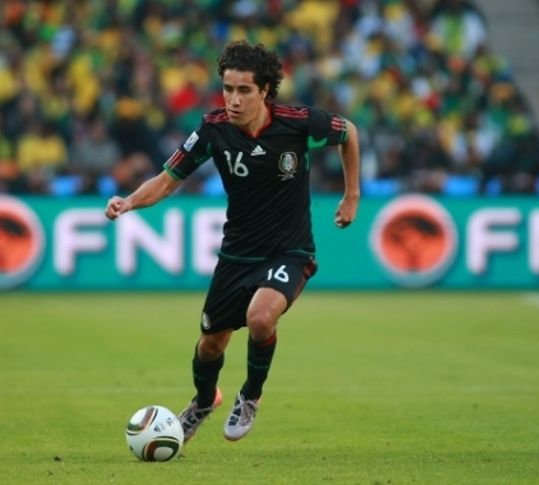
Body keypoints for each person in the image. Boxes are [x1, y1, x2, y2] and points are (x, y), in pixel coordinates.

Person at [105, 40, 360, 443]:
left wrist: (351, 195)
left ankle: (250, 396)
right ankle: (204, 401)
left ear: (264, 92)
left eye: (243, 90)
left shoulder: (298, 123)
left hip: (289, 250)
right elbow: (168, 180)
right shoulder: (213, 129)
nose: (233, 99)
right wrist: (130, 201)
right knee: (210, 345)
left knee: (261, 318)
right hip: (238, 253)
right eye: (228, 88)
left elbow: (349, 132)